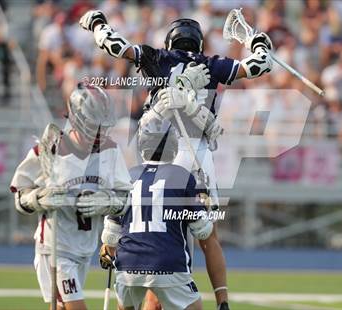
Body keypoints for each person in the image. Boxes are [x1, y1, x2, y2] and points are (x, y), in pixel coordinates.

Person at [79, 11, 273, 309]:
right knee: (208, 237)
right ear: (198, 42)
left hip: (159, 153)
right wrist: (257, 41)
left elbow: (115, 46)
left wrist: (96, 24)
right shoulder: (211, 65)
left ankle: (143, 290)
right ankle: (221, 298)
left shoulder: (157, 57)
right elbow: (262, 64)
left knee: (153, 231)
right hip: (199, 157)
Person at [10, 84, 133, 310]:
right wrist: (39, 198)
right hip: (55, 247)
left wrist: (106, 203)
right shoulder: (52, 148)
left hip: (85, 248)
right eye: (93, 124)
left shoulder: (110, 150)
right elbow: (19, 194)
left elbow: (126, 199)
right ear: (77, 119)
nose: (99, 132)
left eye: (102, 125)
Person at [101, 119, 214, 310]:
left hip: (129, 263)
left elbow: (110, 235)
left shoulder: (128, 175)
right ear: (172, 145)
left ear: (143, 144)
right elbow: (203, 232)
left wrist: (106, 249)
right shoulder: (183, 176)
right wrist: (205, 206)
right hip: (168, 264)